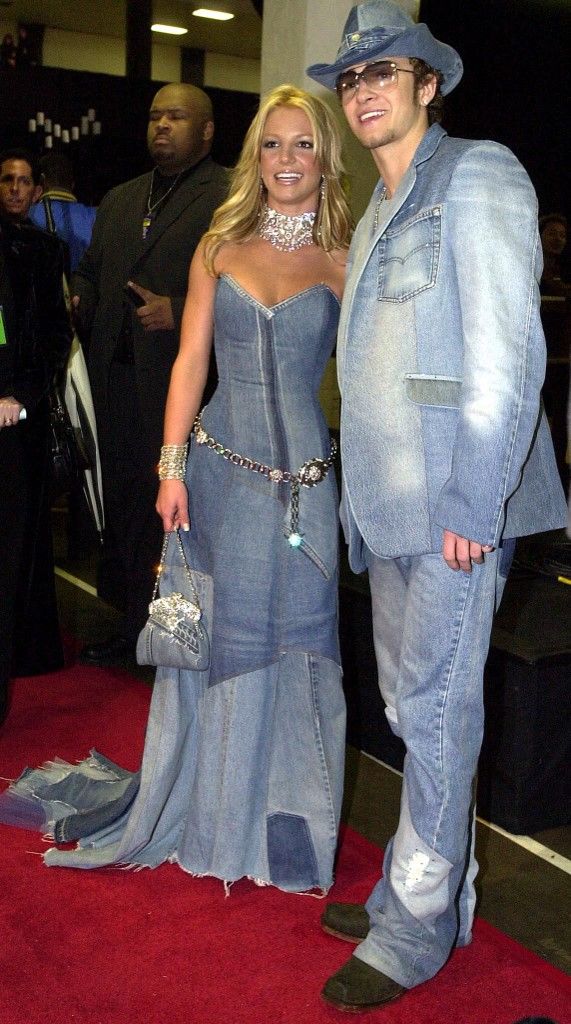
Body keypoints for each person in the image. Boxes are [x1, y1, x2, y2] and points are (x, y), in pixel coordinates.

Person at [1, 85, 352, 894]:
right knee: (214, 641)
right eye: (273, 144)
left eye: (303, 145)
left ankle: (288, 825)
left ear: (325, 157)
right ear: (253, 155)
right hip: (218, 471)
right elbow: (191, 362)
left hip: (303, 485)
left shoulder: (345, 255)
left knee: (298, 645)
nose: (288, 160)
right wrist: (169, 468)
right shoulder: (219, 244)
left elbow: (367, 378)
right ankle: (211, 809)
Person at [306, 0, 568, 1011]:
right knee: (417, 710)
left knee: (441, 714)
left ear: (428, 84)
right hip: (388, 511)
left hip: (457, 508)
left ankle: (411, 932)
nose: (365, 88)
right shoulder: (376, 207)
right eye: (352, 77)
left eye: (387, 71)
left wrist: (475, 496)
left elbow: (509, 354)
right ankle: (427, 895)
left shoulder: (480, 176)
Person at [74, 83, 228, 665]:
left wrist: (183, 305)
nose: (161, 124)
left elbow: (249, 285)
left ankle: (164, 633)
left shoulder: (229, 195)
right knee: (120, 504)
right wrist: (76, 295)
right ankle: (128, 623)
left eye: (176, 116)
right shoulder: (121, 197)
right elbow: (92, 271)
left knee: (163, 512)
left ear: (207, 130)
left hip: (177, 383)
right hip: (110, 377)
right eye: (155, 115)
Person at [0, 149, 72, 724]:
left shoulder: (49, 252)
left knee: (19, 543)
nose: (17, 189)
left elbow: (56, 333)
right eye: (7, 179)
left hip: (22, 422)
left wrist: (23, 396)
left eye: (26, 182)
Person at [29, 153, 97, 274]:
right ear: (72, 184)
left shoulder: (25, 215)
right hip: (84, 291)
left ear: (41, 183)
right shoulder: (98, 216)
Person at [539, 213, 570, 297]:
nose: (558, 239)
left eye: (562, 235)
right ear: (539, 237)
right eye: (552, 234)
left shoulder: (565, 271)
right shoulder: (528, 269)